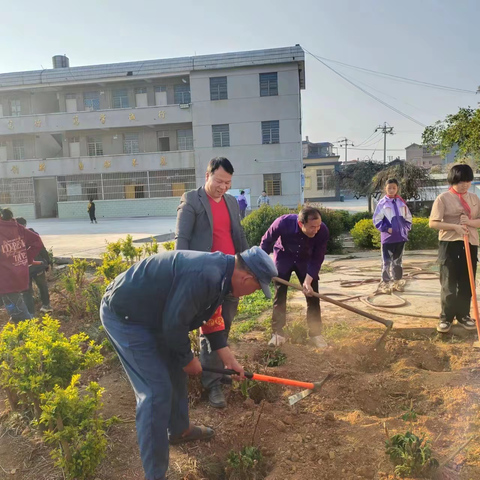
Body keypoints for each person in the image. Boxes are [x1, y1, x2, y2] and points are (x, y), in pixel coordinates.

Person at [100, 246, 277, 480]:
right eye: (257, 288)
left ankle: (179, 429)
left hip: (155, 316)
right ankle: (155, 475)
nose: (253, 293)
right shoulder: (205, 275)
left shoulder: (222, 275)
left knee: (176, 371)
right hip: (127, 317)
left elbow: (210, 316)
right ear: (246, 278)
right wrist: (188, 359)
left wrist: (228, 358)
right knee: (155, 391)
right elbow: (174, 326)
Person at [175, 157, 249, 409]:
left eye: (227, 182)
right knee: (210, 326)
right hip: (205, 278)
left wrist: (247, 263)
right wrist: (180, 272)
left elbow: (237, 234)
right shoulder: (191, 200)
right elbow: (182, 240)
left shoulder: (230, 201)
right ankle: (212, 383)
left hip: (232, 275)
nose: (223, 187)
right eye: (219, 181)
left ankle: (219, 370)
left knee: (225, 323)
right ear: (207, 176)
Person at [260, 206, 329, 348]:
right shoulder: (282, 222)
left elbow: (318, 258)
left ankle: (316, 334)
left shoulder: (322, 231)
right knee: (280, 294)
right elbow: (266, 242)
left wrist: (308, 281)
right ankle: (277, 334)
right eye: (312, 227)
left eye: (318, 226)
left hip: (306, 261)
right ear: (300, 224)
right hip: (284, 256)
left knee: (313, 296)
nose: (316, 230)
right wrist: (260, 265)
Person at [429, 164, 480, 333]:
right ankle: (446, 317)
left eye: (467, 181)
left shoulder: (474, 198)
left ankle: (463, 315)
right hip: (450, 244)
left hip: (470, 243)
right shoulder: (443, 198)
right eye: (460, 181)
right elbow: (433, 223)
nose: (464, 185)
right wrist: (455, 227)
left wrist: (469, 223)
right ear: (452, 181)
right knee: (449, 281)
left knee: (467, 281)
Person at [0, 208, 44, 322]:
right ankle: (19, 328)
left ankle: (31, 334)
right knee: (14, 306)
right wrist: (27, 258)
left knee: (18, 310)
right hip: (20, 274)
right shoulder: (17, 227)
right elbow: (37, 241)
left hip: (7, 279)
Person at [373, 179, 412, 294]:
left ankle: (397, 282)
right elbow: (376, 219)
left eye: (394, 188)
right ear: (385, 189)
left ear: (397, 189)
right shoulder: (382, 203)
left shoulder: (401, 202)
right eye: (389, 188)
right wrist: (386, 229)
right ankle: (385, 283)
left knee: (398, 261)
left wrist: (405, 229)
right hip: (388, 238)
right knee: (386, 261)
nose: (391, 190)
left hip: (400, 238)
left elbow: (408, 217)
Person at [15, 217, 53, 315]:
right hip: (37, 266)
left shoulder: (11, 238)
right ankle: (46, 305)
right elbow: (42, 249)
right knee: (42, 285)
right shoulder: (32, 234)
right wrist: (47, 262)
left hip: (23, 270)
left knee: (26, 291)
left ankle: (30, 313)